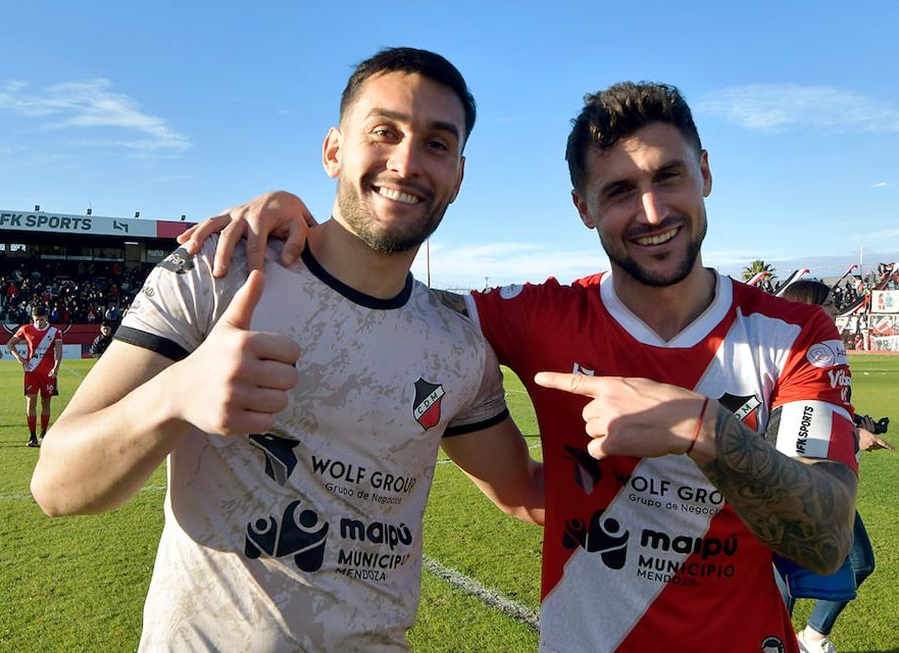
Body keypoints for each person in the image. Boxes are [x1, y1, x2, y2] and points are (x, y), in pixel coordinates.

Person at [186, 81, 859, 652]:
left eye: (669, 176)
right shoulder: (538, 315)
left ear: (704, 172)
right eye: (619, 190)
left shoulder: (796, 332)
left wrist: (703, 425)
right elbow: (392, 297)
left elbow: (826, 538)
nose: (651, 211)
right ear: (582, 207)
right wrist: (298, 224)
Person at [29, 47, 542, 652]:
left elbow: (525, 493)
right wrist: (176, 394)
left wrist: (678, 451)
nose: (406, 162)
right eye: (384, 132)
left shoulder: (460, 346)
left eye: (436, 143)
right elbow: (58, 485)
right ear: (333, 151)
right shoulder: (216, 272)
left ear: (457, 175)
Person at [779, 278, 888, 653]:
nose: (836, 315)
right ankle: (797, 638)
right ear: (806, 308)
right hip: (799, 479)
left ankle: (807, 637)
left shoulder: (829, 355)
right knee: (792, 572)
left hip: (829, 478)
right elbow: (786, 417)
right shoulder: (792, 355)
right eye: (828, 307)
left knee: (852, 564)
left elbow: (835, 407)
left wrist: (859, 425)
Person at [6, 305, 63, 447]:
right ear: (32, 318)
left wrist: (56, 368)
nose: (39, 323)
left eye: (42, 320)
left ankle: (43, 433)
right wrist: (19, 358)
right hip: (31, 372)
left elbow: (59, 352)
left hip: (48, 373)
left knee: (46, 403)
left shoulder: (55, 332)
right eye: (36, 320)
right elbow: (10, 344)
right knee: (31, 402)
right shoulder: (26, 329)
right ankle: (32, 436)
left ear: (47, 318)